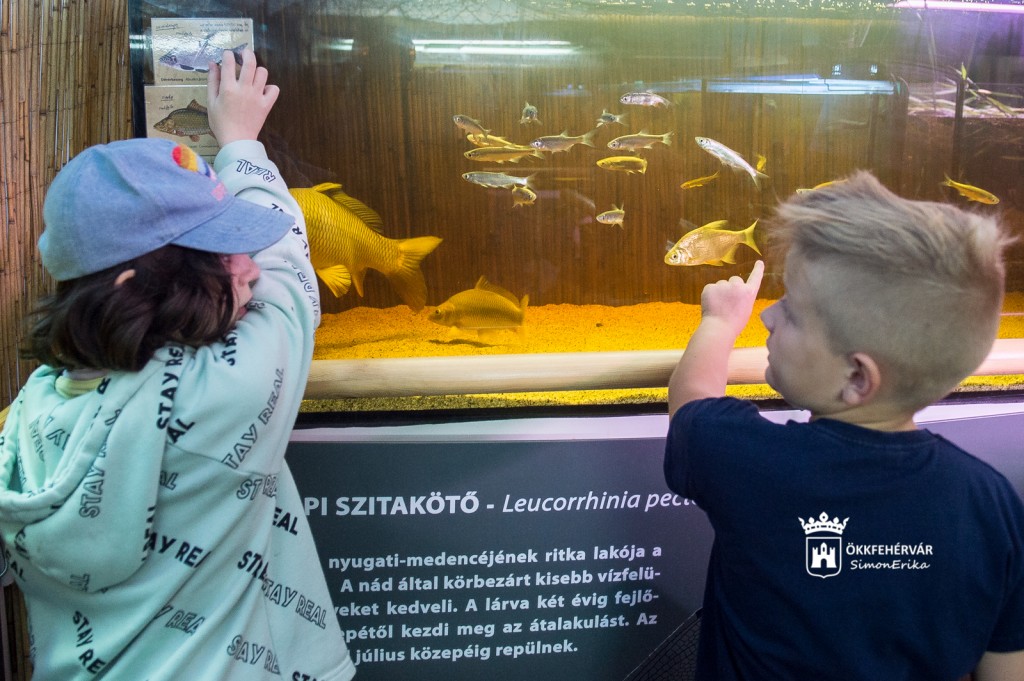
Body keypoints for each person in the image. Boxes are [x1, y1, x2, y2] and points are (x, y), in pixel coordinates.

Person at [0, 49, 356, 680]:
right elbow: (287, 273)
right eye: (216, 254)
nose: (246, 266)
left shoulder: (26, 419)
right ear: (135, 286)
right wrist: (240, 141)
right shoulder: (222, 392)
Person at [664, 171, 1024, 680]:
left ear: (857, 377)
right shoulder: (990, 502)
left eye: (790, 310)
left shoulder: (749, 461)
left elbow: (692, 403)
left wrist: (719, 323)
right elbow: (1007, 666)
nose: (767, 317)